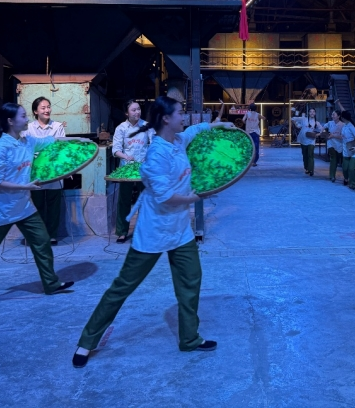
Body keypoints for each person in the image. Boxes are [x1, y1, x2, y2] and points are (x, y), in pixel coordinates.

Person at [72, 97, 236, 368]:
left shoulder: (178, 140)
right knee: (123, 286)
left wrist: (220, 125)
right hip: (154, 229)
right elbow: (166, 197)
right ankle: (86, 341)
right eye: (180, 113)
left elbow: (196, 130)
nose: (184, 117)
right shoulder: (156, 154)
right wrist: (197, 197)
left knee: (190, 280)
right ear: (166, 119)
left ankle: (189, 338)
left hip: (179, 230)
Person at [0, 103, 78, 311]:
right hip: (1, 210)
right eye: (23, 116)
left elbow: (50, 140)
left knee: (42, 242)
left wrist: (80, 142)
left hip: (24, 207)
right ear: (10, 121)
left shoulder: (27, 141)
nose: (27, 120)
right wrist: (26, 186)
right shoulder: (2, 148)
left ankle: (51, 283)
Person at [22, 97, 66, 245]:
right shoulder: (29, 128)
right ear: (35, 111)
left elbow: (60, 149)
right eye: (43, 108)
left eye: (48, 107)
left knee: (54, 205)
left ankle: (52, 235)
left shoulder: (57, 127)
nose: (47, 110)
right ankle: (37, 236)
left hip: (54, 171)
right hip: (35, 172)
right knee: (36, 204)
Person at [111, 100, 153, 243]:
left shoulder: (146, 126)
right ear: (126, 113)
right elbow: (116, 149)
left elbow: (154, 144)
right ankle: (122, 232)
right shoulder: (121, 128)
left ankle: (144, 231)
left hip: (143, 168)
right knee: (124, 200)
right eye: (133, 110)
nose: (137, 112)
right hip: (126, 169)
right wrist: (125, 157)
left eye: (138, 109)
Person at [292, 107, 323, 176]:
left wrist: (317, 134)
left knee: (310, 154)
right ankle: (306, 168)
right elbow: (293, 119)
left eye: (313, 112)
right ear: (308, 113)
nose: (312, 113)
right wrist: (295, 124)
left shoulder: (316, 123)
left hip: (311, 140)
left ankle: (311, 169)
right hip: (303, 139)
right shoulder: (304, 119)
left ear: (315, 113)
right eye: (310, 111)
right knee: (305, 155)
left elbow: (322, 129)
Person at [339, 111, 355, 190]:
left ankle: (353, 184)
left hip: (353, 150)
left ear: (343, 118)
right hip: (346, 150)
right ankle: (346, 179)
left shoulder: (351, 126)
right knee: (345, 168)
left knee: (351, 168)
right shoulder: (344, 125)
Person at [324, 109, 344, 183]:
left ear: (338, 116)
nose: (332, 116)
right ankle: (332, 176)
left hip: (339, 144)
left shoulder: (342, 125)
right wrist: (323, 133)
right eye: (332, 115)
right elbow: (323, 127)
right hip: (331, 143)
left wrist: (333, 136)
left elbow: (342, 137)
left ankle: (336, 175)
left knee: (337, 160)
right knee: (333, 158)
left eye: (334, 115)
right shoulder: (330, 123)